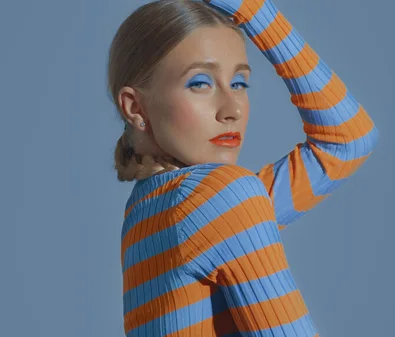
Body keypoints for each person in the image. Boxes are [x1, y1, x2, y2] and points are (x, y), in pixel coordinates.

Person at [107, 0, 379, 335]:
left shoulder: (146, 211)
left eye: (239, 83)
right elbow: (349, 139)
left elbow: (349, 139)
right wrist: (256, 11)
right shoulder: (224, 198)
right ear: (135, 107)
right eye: (200, 83)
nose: (232, 109)